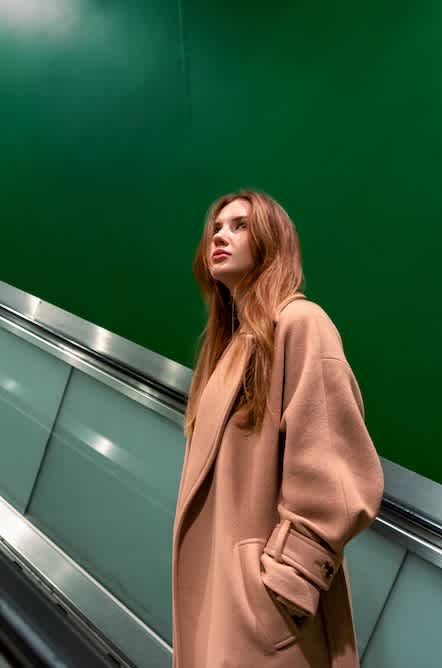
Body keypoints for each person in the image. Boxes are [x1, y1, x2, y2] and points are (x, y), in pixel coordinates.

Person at [172, 190, 384, 668]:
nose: (220, 235)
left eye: (240, 226)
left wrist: (282, 585)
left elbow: (338, 477)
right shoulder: (230, 346)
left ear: (271, 241)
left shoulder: (300, 324)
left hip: (264, 619)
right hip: (228, 601)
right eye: (216, 228)